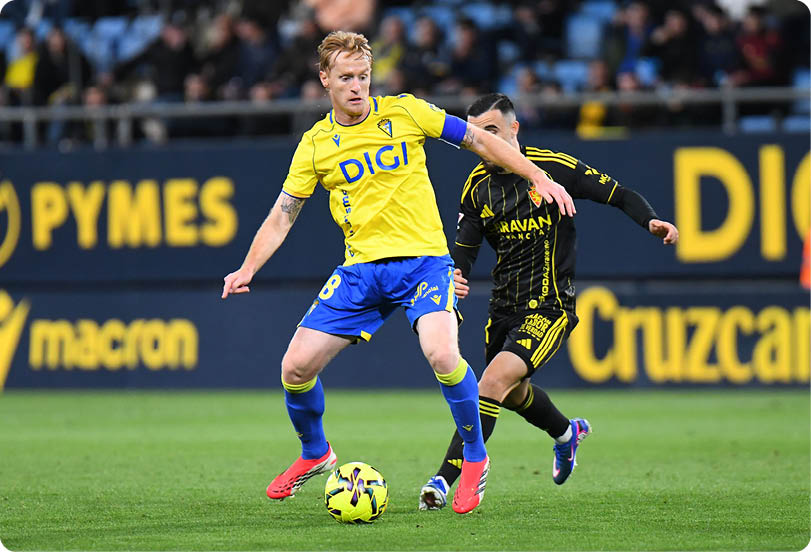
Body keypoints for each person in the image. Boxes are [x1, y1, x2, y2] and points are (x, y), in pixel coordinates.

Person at [221, 33, 576, 515]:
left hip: (424, 263)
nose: (356, 86)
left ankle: (474, 456)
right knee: (295, 368)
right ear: (324, 79)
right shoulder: (315, 145)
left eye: (363, 76)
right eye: (345, 77)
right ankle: (315, 453)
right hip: (361, 270)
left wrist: (536, 174)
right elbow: (284, 213)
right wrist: (247, 267)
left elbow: (477, 138)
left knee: (442, 352)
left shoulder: (405, 112)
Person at [418, 93, 678, 510]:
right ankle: (566, 433)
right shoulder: (476, 188)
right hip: (503, 308)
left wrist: (650, 219)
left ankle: (447, 479)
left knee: (489, 385)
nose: (482, 142)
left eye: (491, 132)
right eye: (474, 135)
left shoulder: (553, 169)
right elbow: (463, 253)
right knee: (513, 392)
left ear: (513, 130)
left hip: (549, 305)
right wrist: (455, 279)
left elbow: (619, 193)